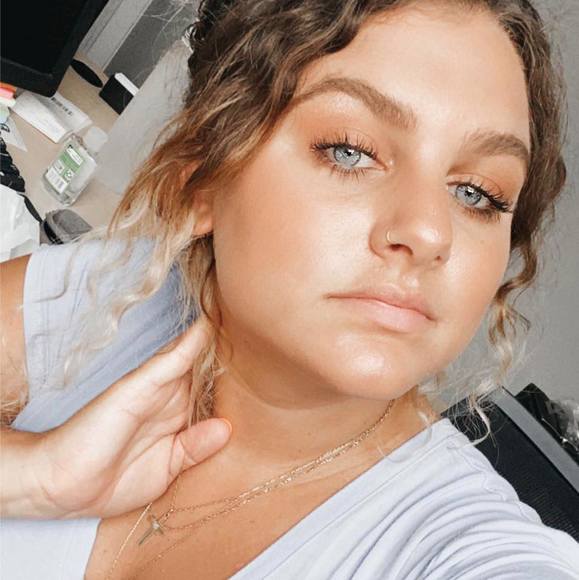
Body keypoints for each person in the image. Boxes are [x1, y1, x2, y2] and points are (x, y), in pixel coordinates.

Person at [1, 0, 578, 578]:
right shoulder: (116, 292)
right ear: (205, 178)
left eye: (478, 193)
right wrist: (32, 476)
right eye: (350, 151)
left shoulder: (464, 548)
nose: (430, 233)